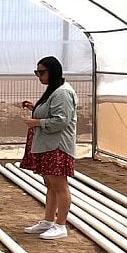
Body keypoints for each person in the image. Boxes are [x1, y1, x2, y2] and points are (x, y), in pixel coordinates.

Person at [20, 56, 78, 240]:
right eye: (37, 72)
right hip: (48, 144)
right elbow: (53, 112)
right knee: (50, 184)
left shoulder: (62, 93)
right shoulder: (54, 90)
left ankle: (60, 225)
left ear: (52, 71)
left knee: (59, 185)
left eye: (42, 72)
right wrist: (35, 108)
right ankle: (48, 221)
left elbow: (61, 120)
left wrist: (37, 122)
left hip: (57, 146)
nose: (39, 76)